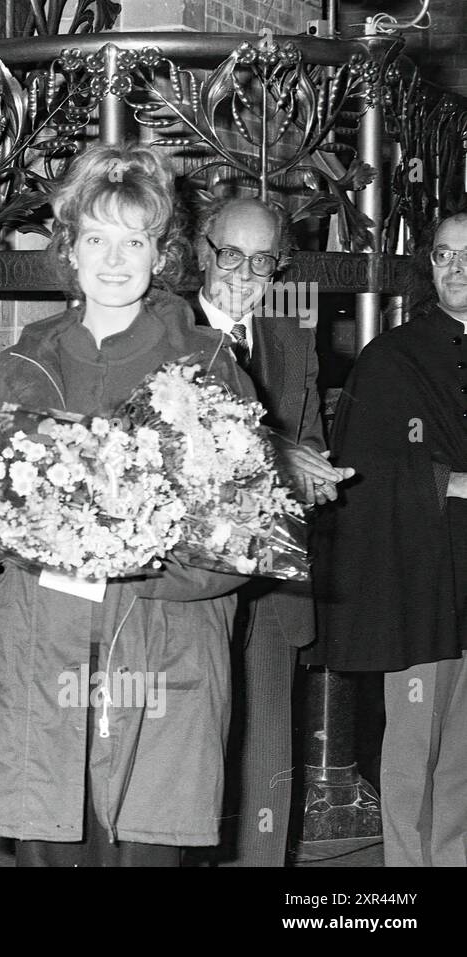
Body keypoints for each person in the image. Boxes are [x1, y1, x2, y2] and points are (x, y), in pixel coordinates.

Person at [0, 144, 254, 866]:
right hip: (43, 653)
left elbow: (244, 535)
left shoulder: (206, 364)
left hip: (163, 655)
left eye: (136, 240)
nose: (115, 259)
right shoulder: (23, 363)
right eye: (97, 237)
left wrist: (128, 555)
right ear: (69, 247)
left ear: (163, 253)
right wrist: (35, 534)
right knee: (48, 850)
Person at [192, 197, 351, 866]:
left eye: (263, 261)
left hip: (274, 583)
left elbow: (308, 434)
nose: (245, 273)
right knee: (189, 758)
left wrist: (314, 471)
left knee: (268, 765)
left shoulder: (290, 338)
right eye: (232, 255)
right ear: (204, 251)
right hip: (187, 591)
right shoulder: (161, 329)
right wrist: (277, 456)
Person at [309, 211, 467, 867]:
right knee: (416, 749)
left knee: (463, 755)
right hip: (420, 577)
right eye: (443, 255)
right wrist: (451, 481)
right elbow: (362, 473)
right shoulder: (394, 358)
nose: (456, 269)